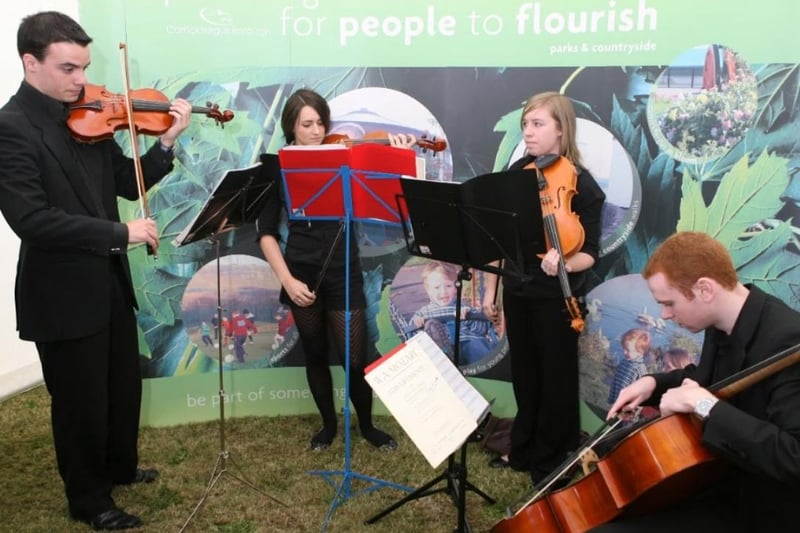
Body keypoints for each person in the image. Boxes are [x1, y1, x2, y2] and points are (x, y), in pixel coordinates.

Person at [0, 11, 192, 531]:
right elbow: (31, 220)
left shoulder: (86, 113)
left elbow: (128, 184)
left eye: (83, 67)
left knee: (121, 385)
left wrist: (167, 143)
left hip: (107, 282)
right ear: (30, 62)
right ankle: (89, 500)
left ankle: (119, 469)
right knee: (80, 401)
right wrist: (119, 235)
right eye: (68, 68)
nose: (80, 81)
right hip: (60, 291)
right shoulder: (10, 129)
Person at [593, 231, 800, 532]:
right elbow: (710, 380)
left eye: (669, 303)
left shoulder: (787, 339)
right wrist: (652, 383)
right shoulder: (720, 321)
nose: (664, 315)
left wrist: (704, 405)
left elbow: (794, 457)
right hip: (715, 480)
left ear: (704, 289)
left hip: (762, 509)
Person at [256, 88, 416, 450]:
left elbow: (389, 190)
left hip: (344, 268)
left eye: (321, 123)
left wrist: (398, 154)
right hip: (300, 272)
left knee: (354, 358)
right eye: (307, 124)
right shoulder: (280, 168)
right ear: (291, 129)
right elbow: (265, 234)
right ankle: (328, 427)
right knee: (314, 354)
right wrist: (288, 280)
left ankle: (367, 426)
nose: (316, 131)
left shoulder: (346, 159)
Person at [482, 91, 605, 483]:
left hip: (557, 297)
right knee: (525, 374)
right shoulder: (519, 172)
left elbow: (591, 253)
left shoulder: (583, 185)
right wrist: (490, 293)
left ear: (560, 130)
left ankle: (552, 458)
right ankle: (524, 446)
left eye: (538, 125)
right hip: (518, 290)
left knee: (556, 378)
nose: (529, 133)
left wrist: (564, 262)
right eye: (525, 125)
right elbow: (500, 240)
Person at [410, 261, 495, 365]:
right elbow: (412, 336)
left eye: (448, 286)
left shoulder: (463, 307)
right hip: (443, 349)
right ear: (428, 290)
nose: (443, 292)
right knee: (432, 349)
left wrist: (468, 317)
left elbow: (482, 330)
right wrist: (417, 324)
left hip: (467, 342)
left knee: (476, 345)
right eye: (437, 287)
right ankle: (447, 354)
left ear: (456, 287)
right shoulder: (424, 313)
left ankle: (485, 368)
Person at [607, 328, 651, 403]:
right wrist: (612, 397)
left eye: (628, 350)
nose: (624, 352)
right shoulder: (624, 362)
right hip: (617, 398)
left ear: (640, 351)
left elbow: (643, 391)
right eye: (624, 348)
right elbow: (616, 380)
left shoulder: (640, 369)